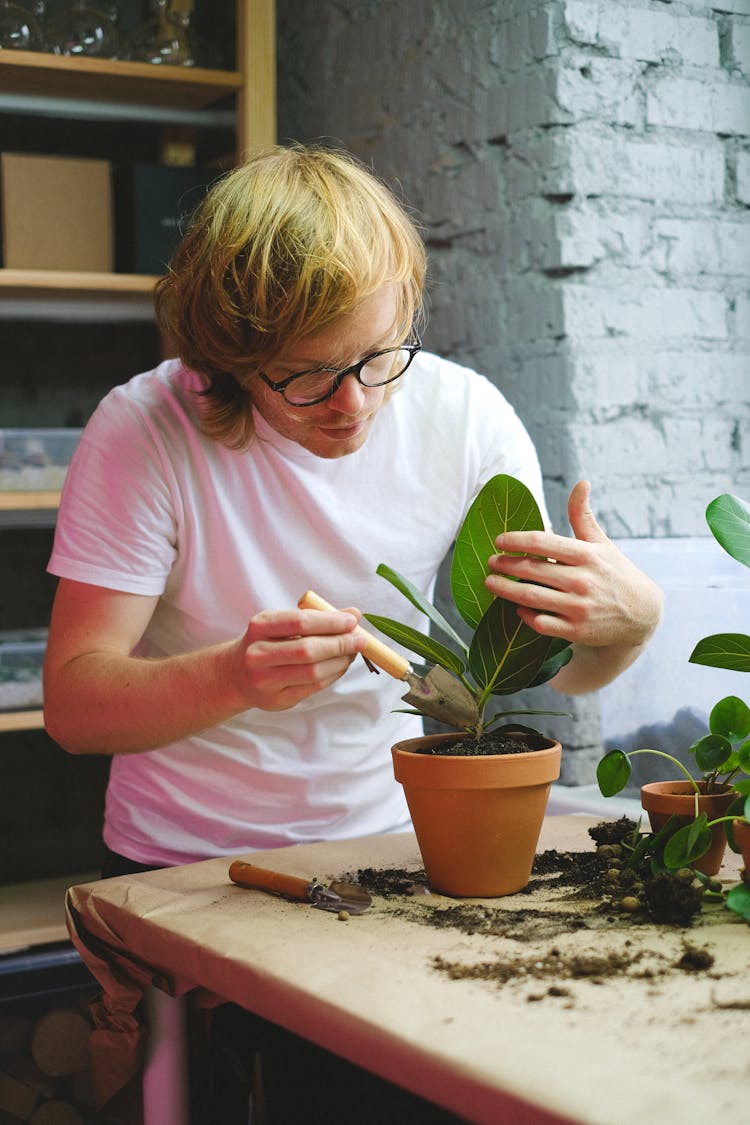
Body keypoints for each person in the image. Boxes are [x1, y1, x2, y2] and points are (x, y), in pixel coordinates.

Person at [42, 143, 662, 1121]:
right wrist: (233, 678)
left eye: (378, 358)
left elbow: (559, 670)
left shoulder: (462, 417)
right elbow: (75, 705)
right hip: (188, 868)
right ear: (226, 363)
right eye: (306, 377)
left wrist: (627, 628)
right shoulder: (144, 430)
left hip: (391, 851)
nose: (355, 406)